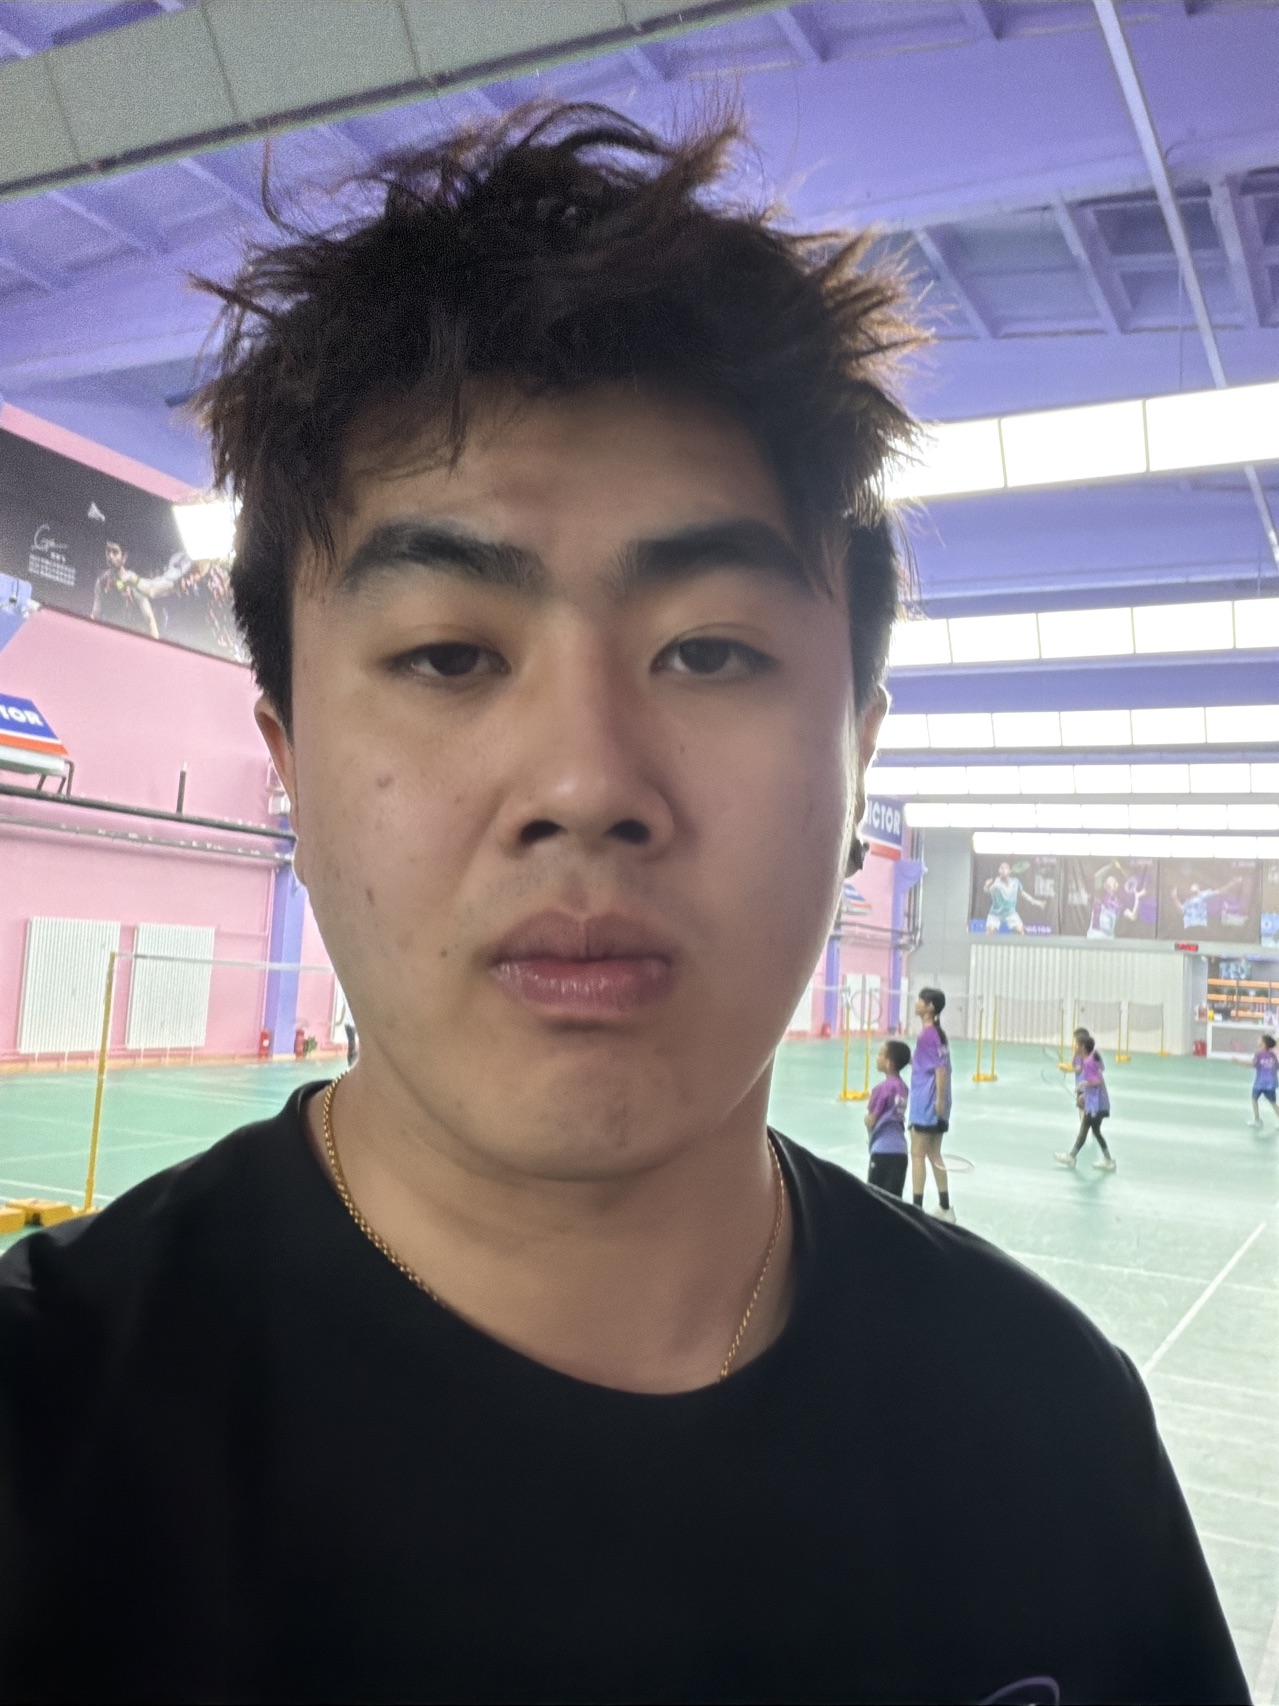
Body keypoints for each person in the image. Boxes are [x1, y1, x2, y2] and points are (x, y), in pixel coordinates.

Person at [0, 105, 1245, 1705]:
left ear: (856, 758)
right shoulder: (41, 1444)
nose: (586, 780)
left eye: (708, 649)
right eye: (448, 653)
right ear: (290, 767)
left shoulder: (1048, 1428)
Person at [908, 986, 955, 1221]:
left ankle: (916, 1210)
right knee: (934, 1154)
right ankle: (945, 1208)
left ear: (930, 1007)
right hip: (936, 1102)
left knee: (917, 1154)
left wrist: (938, 1102)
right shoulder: (937, 1034)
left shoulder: (927, 1035)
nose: (916, 1003)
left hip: (927, 1102)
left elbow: (940, 1070)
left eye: (921, 1000)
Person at [1056, 1030, 1116, 1171]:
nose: (1075, 1046)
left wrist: (1084, 1086)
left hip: (1096, 1105)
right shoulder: (1093, 1057)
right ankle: (1108, 1160)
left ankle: (1071, 1157)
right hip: (1099, 1102)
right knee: (1094, 1132)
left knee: (1085, 1132)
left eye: (1077, 1044)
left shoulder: (1088, 1063)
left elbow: (1097, 1082)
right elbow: (1100, 1073)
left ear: (1082, 1046)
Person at [864, 1038, 910, 1198]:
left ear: (889, 1063)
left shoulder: (881, 1089)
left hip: (882, 1152)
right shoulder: (904, 1088)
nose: (877, 1058)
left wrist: (866, 1120)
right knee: (894, 1201)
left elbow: (871, 1120)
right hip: (901, 1152)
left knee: (875, 1200)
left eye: (880, 1055)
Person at [983, 860, 1048, 934]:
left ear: (1009, 871)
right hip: (995, 914)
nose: (1003, 870)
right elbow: (987, 891)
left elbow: (1022, 893)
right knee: (990, 931)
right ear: (999, 870)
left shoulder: (1015, 882)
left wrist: (1036, 902)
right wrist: (986, 886)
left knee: (1020, 932)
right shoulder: (995, 882)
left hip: (1011, 913)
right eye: (1001, 868)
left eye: (1006, 868)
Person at [1244, 1031, 1279, 1130]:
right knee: (1272, 1102)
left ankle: (1257, 1121)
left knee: (1254, 1099)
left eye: (1260, 1039)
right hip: (1270, 1083)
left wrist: (1240, 1062)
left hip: (1260, 1083)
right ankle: (1257, 1120)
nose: (1258, 1040)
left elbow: (1253, 1065)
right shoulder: (1272, 1055)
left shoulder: (1258, 1054)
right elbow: (1277, 1067)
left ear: (1263, 1043)